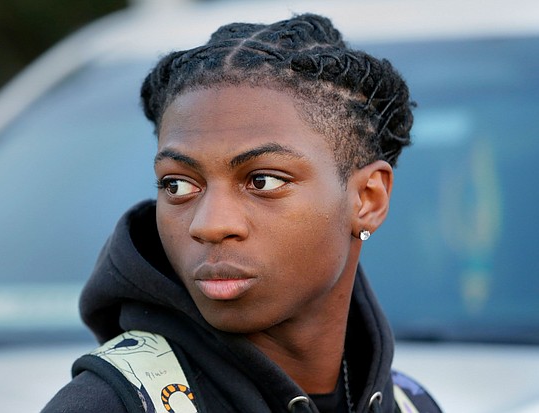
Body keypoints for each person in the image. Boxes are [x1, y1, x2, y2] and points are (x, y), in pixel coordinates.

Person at [42, 13, 441, 413]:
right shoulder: (107, 405)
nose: (210, 225)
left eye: (263, 181)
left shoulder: (412, 405)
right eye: (177, 185)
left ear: (367, 200)